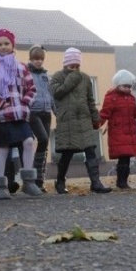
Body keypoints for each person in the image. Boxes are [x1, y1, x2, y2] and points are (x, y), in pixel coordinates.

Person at [0, 29, 43, 199]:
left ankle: (29, 182)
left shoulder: (20, 66)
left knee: (29, 141)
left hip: (19, 114)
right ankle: (0, 185)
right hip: (0, 115)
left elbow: (32, 88)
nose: (3, 47)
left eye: (6, 43)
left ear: (12, 45)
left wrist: (25, 102)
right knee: (3, 148)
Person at [49, 47, 109, 194]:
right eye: (72, 66)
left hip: (84, 120)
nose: (75, 69)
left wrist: (96, 118)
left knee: (90, 150)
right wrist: (71, 78)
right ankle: (60, 181)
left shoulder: (86, 78)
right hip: (67, 122)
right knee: (67, 153)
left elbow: (90, 100)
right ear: (65, 64)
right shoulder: (57, 77)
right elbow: (57, 93)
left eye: (77, 66)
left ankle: (96, 182)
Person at [99, 69, 136, 189]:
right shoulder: (111, 97)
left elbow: (135, 112)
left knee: (126, 159)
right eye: (124, 86)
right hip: (118, 132)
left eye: (129, 86)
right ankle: (121, 182)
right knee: (123, 158)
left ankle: (123, 181)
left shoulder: (131, 98)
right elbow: (105, 113)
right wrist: (97, 123)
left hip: (129, 132)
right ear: (118, 84)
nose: (127, 88)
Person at [27, 45, 55, 191]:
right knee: (42, 139)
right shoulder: (27, 73)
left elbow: (50, 94)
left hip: (46, 111)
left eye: (41, 59)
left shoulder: (45, 75)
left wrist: (55, 110)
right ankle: (32, 176)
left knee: (44, 145)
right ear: (31, 59)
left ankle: (40, 179)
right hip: (33, 111)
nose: (38, 62)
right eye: (35, 59)